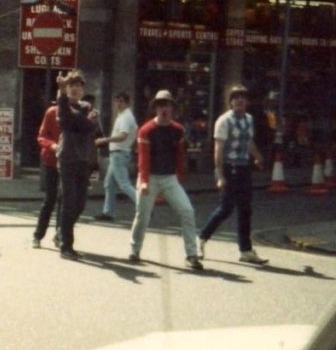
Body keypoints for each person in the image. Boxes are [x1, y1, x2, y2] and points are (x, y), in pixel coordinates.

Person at [128, 90, 203, 271]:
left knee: (187, 211)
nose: (164, 108)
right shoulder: (146, 130)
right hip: (150, 177)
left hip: (169, 178)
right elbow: (143, 159)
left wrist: (179, 176)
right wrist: (144, 181)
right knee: (142, 215)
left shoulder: (178, 130)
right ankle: (134, 250)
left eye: (167, 105)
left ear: (172, 109)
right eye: (160, 105)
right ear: (155, 108)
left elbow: (180, 156)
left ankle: (191, 254)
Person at [197, 85, 269, 265]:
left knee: (245, 209)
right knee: (226, 208)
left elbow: (249, 141)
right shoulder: (224, 121)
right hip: (229, 167)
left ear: (247, 101)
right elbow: (218, 150)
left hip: (244, 167)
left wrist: (258, 157)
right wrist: (219, 174)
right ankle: (201, 239)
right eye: (235, 98)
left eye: (243, 98)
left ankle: (245, 250)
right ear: (230, 102)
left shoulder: (249, 120)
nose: (239, 100)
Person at [55, 70, 100, 260]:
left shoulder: (86, 106)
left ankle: (61, 231)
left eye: (79, 86)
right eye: (72, 85)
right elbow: (67, 118)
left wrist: (85, 122)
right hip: (67, 158)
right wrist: (62, 94)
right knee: (69, 201)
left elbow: (92, 129)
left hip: (84, 159)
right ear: (67, 88)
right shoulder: (63, 105)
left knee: (80, 204)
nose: (76, 89)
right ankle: (67, 246)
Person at [93, 90, 138, 221]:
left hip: (119, 154)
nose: (118, 103)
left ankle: (144, 206)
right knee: (109, 183)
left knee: (124, 184)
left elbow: (123, 136)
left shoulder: (125, 117)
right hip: (118, 154)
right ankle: (108, 212)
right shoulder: (124, 115)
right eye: (117, 100)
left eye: (121, 101)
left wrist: (104, 140)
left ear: (127, 102)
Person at [32, 94, 62, 250]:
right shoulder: (52, 112)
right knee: (50, 198)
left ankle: (59, 235)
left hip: (69, 163)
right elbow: (41, 136)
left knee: (64, 201)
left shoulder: (78, 112)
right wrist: (52, 145)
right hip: (51, 160)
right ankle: (38, 235)